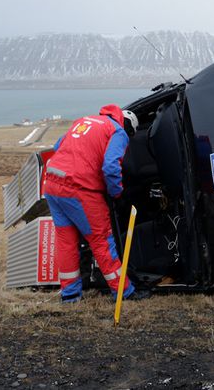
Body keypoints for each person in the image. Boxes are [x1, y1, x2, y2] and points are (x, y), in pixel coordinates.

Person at [44, 104, 146, 303]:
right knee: (101, 241)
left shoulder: (84, 120)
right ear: (129, 127)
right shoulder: (118, 132)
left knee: (66, 243)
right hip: (79, 189)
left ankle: (70, 295)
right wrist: (117, 194)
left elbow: (58, 147)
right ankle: (125, 292)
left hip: (52, 184)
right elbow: (110, 167)